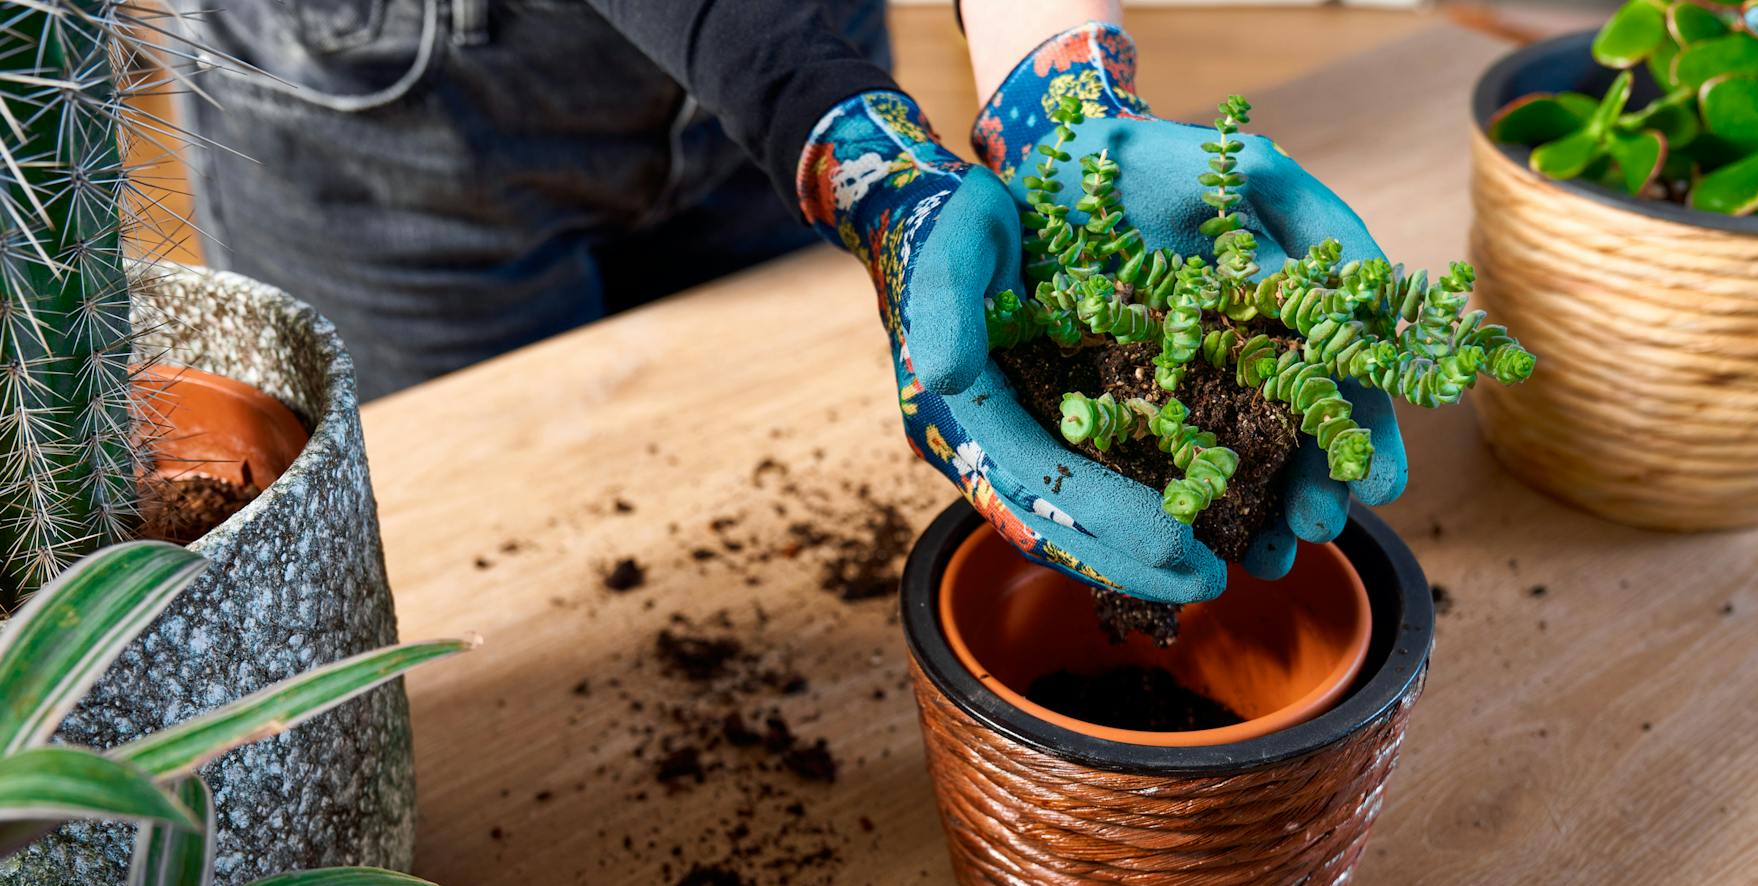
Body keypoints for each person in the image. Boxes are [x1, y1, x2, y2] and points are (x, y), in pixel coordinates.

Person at [182, 0, 1405, 602]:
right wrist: (837, 133)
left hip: (791, 57)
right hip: (399, 95)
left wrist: (1064, 93)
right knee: (472, 563)